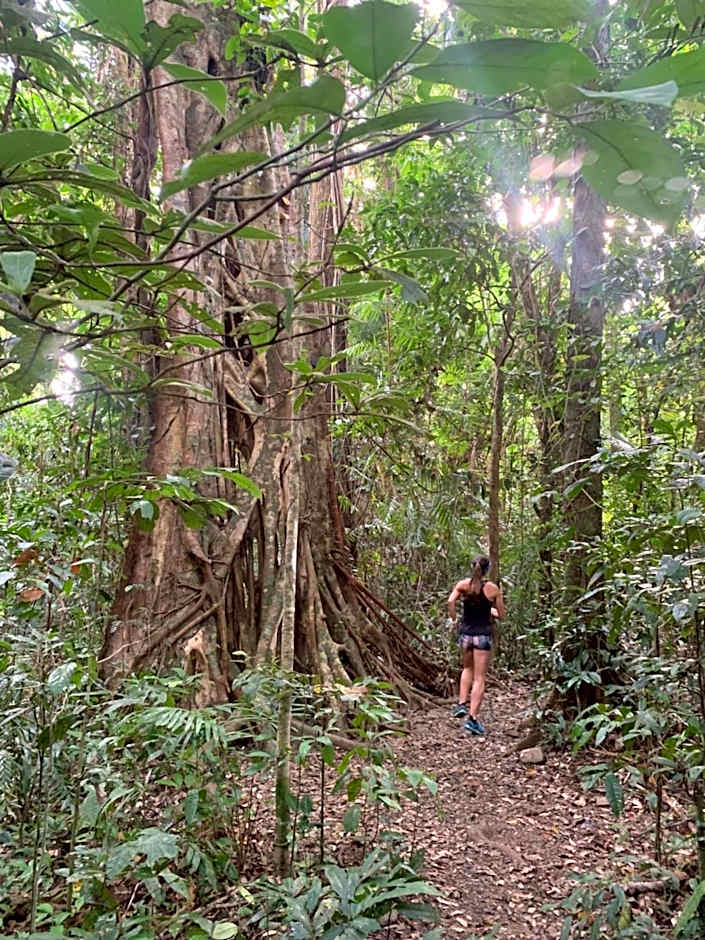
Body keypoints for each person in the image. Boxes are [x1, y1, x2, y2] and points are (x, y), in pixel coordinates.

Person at [447, 555, 506, 735]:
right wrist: (492, 610)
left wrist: (454, 619)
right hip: (482, 636)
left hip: (466, 635)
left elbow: (450, 601)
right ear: (487, 569)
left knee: (467, 669)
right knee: (479, 678)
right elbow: (502, 615)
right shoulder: (492, 589)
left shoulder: (463, 585)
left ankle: (461, 704)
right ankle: (472, 719)